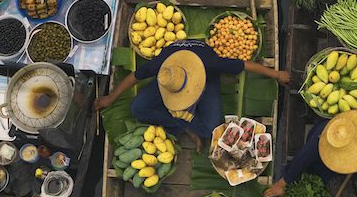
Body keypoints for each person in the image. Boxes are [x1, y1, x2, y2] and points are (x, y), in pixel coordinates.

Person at [94, 39, 290, 149]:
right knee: (137, 108)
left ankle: (182, 121)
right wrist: (110, 98)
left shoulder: (211, 64)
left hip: (206, 78)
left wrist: (276, 74)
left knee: (210, 129)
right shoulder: (162, 66)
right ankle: (184, 126)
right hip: (170, 81)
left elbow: (244, 65)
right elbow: (134, 77)